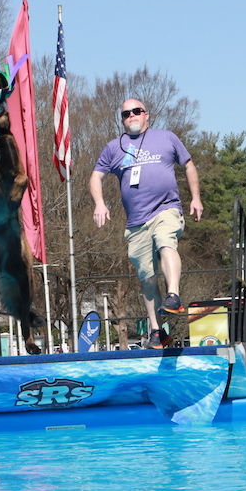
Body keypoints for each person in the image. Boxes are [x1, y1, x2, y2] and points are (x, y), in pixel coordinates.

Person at [89, 99, 203, 350]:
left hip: (166, 208)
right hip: (136, 221)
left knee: (165, 241)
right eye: (125, 114)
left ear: (146, 115)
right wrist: (100, 203)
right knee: (147, 278)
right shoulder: (114, 148)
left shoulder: (166, 138)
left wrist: (195, 198)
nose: (131, 116)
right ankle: (156, 331)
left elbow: (188, 166)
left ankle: (173, 295)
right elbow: (96, 176)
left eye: (136, 111)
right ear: (122, 119)